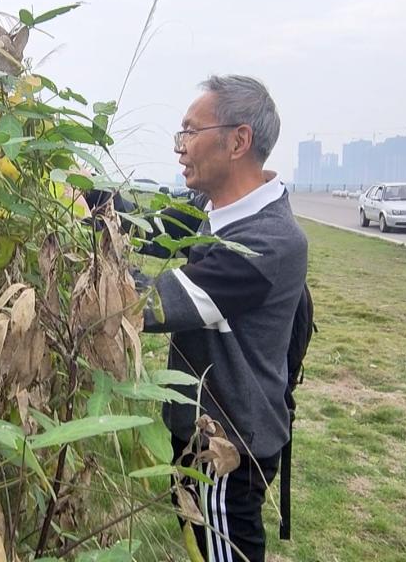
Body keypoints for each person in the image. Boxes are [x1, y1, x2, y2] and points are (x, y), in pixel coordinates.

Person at [134, 75, 308, 561]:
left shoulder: (269, 243)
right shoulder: (212, 209)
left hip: (226, 449)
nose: (180, 147)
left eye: (191, 131)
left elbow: (153, 303)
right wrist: (82, 199)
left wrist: (65, 271)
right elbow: (144, 223)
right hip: (200, 431)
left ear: (238, 141)